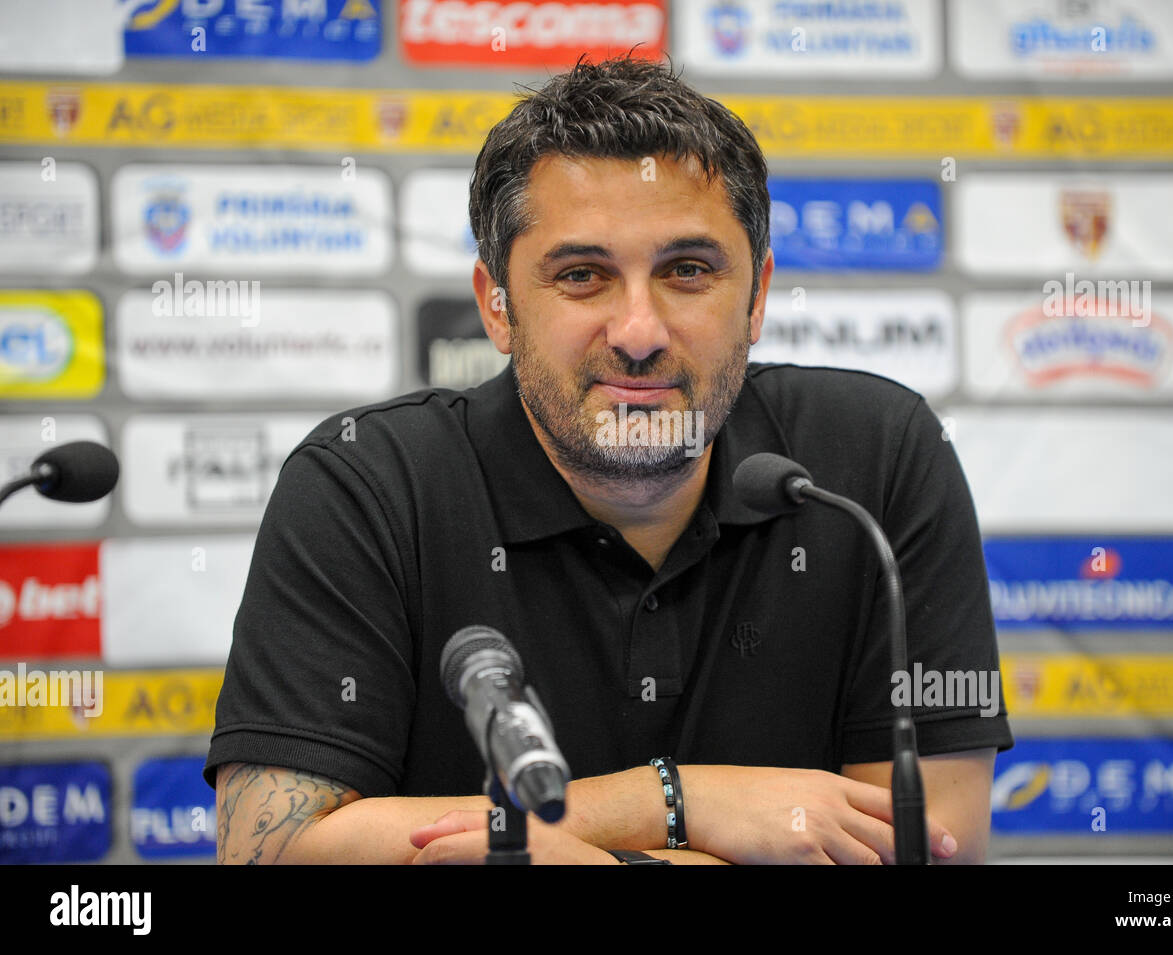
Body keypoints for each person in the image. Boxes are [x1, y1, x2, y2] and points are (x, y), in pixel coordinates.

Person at [203, 53, 1013, 865]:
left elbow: (930, 847)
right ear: (498, 306)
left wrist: (551, 850)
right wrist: (680, 798)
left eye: (687, 271)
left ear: (759, 296)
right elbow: (267, 851)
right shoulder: (364, 485)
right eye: (583, 275)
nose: (637, 331)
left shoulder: (875, 461)